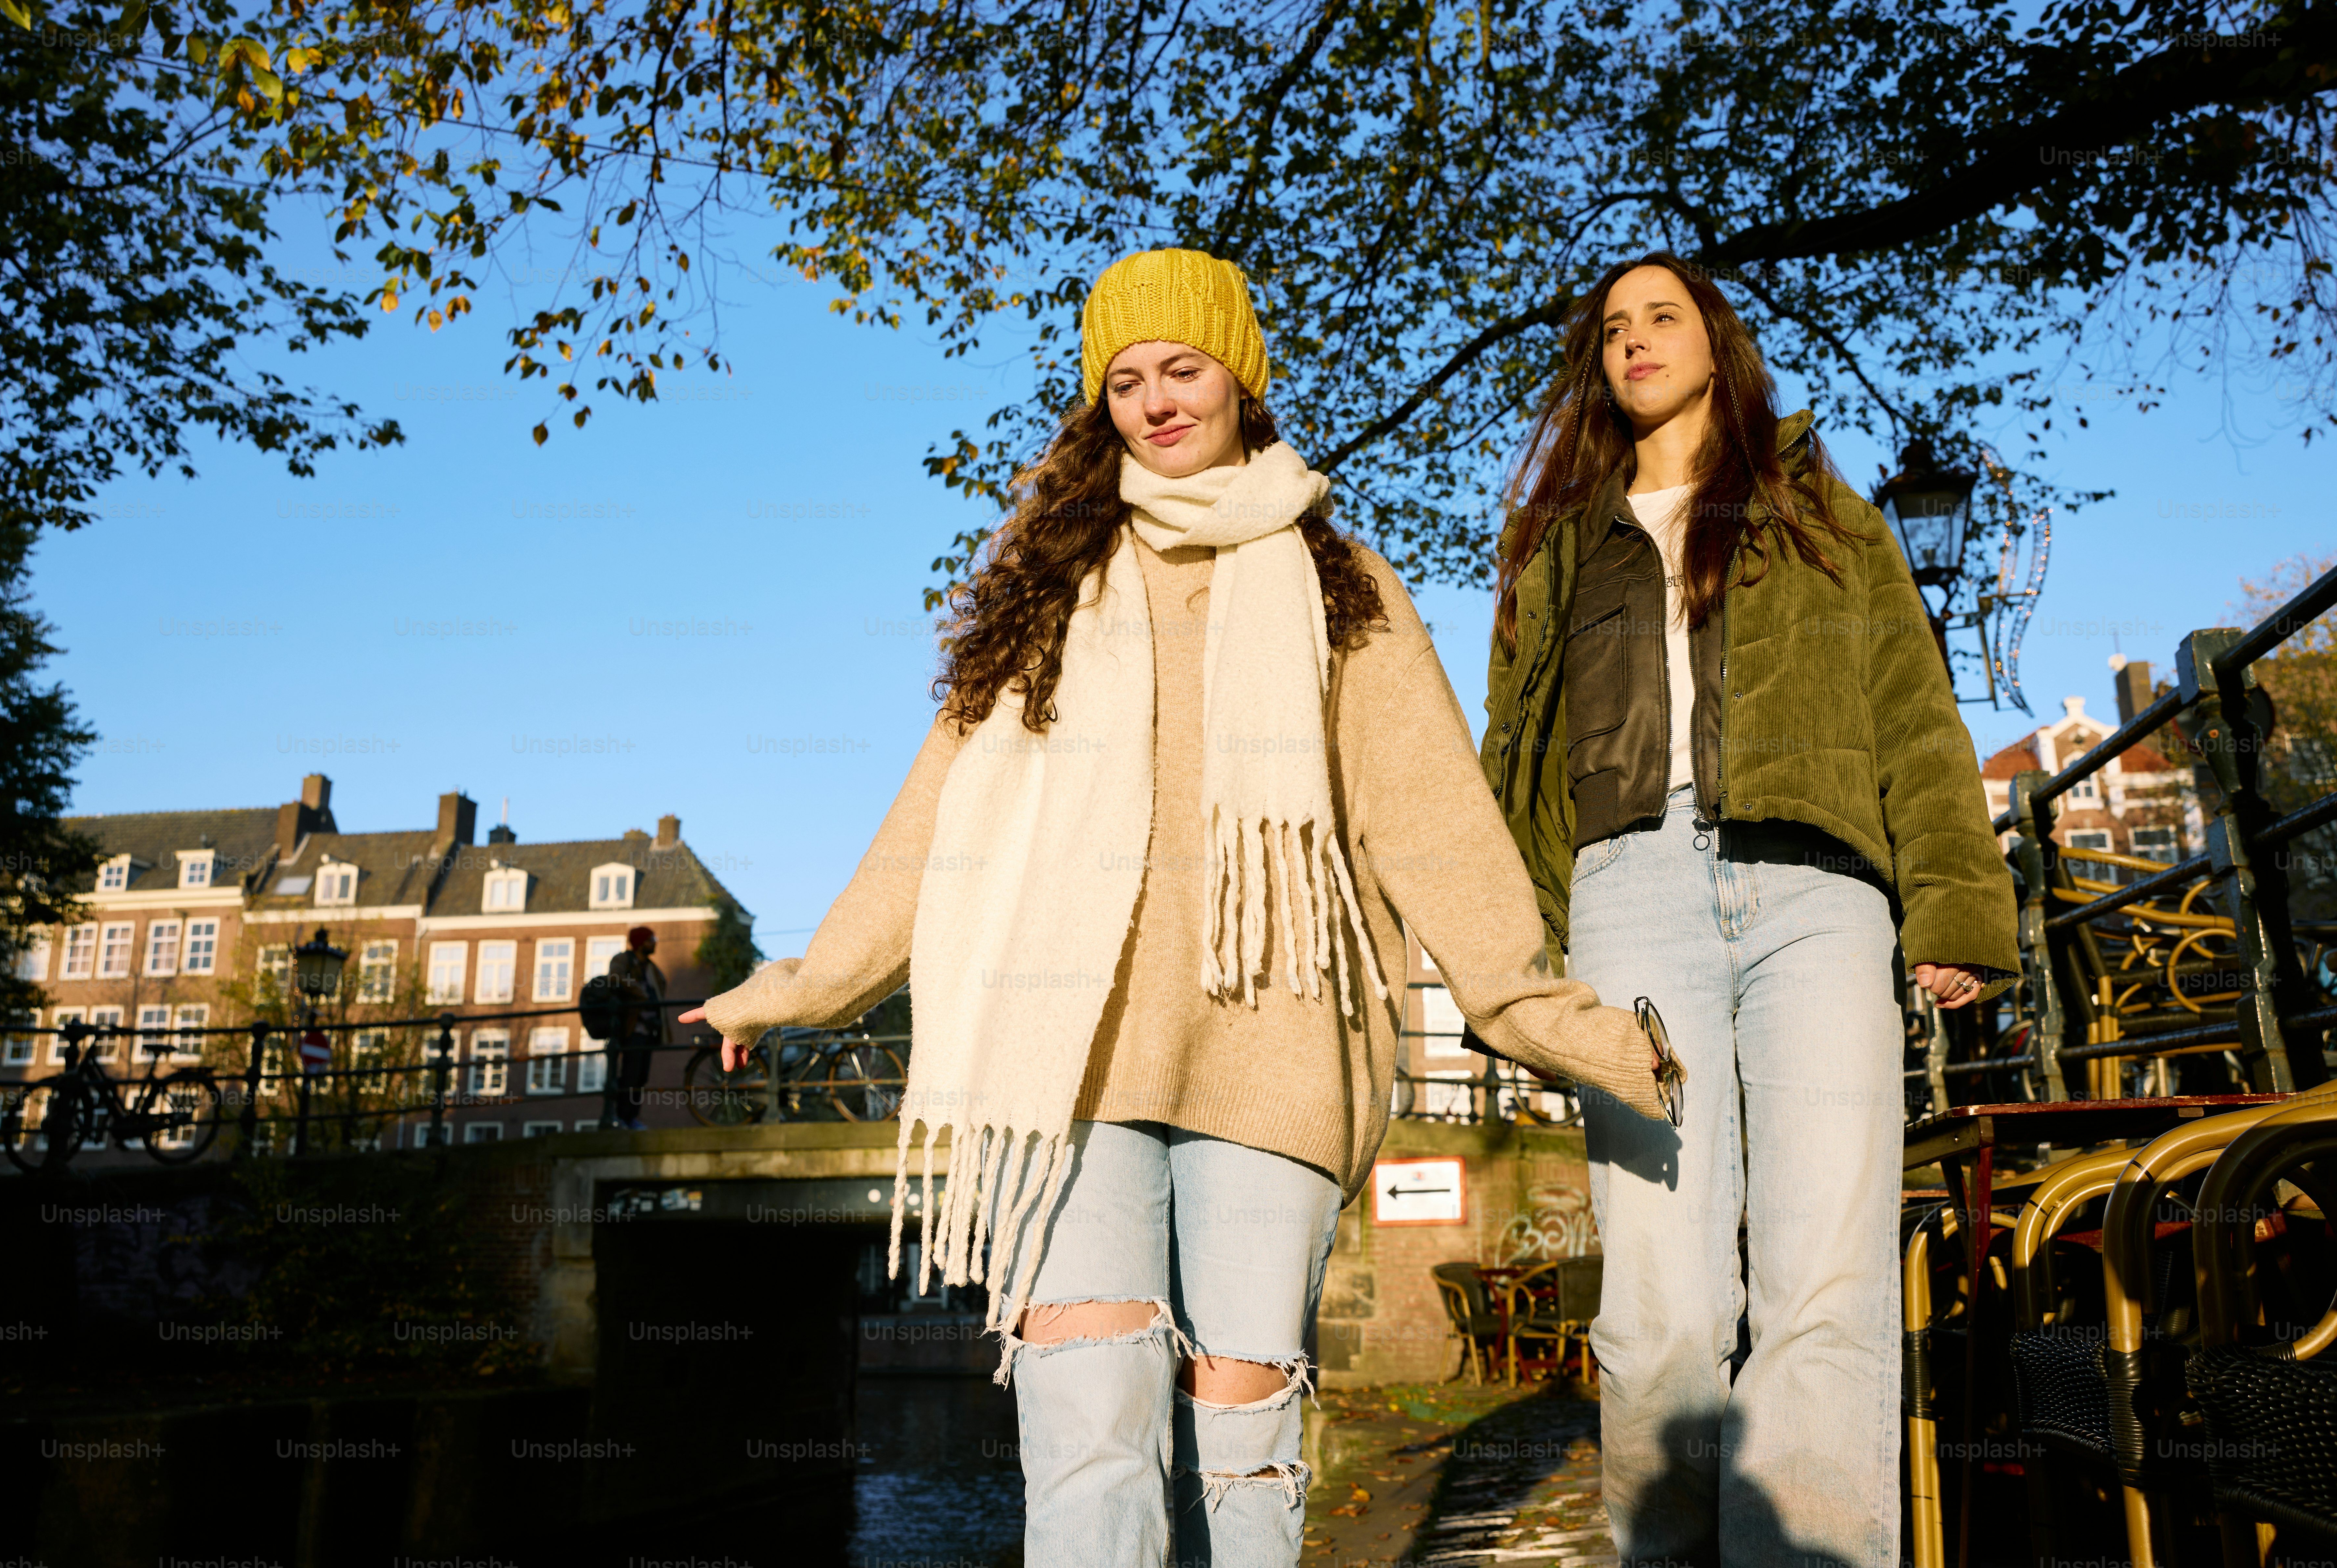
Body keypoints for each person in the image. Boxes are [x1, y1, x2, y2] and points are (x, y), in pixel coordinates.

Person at [685, 247, 1669, 1567]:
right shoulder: (1044, 597)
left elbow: (1435, 822)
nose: (1155, 400)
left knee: (1243, 1425)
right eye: (1126, 379)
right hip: (1072, 1058)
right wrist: (804, 986)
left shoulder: (1344, 588)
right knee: (1087, 1419)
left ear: (1238, 381)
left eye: (1183, 368)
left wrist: (1533, 1009)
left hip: (1273, 1043)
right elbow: (935, 831)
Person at [1482, 250, 2020, 1565]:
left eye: (1662, 316)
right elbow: (1515, 751)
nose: (1634, 341)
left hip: (1818, 895)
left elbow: (1911, 700)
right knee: (1662, 1292)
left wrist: (1954, 902)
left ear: (1715, 343)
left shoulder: (1817, 506)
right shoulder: (1565, 543)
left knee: (1822, 1273)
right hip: (1631, 904)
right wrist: (1512, 964)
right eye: (1612, 327)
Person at [606, 926, 666, 1130]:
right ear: (641, 943)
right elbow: (615, 977)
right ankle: (622, 1118)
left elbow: (661, 987)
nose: (655, 942)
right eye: (652, 939)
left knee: (641, 1077)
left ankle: (631, 1118)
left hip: (649, 1030)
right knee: (630, 1075)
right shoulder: (625, 960)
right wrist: (639, 992)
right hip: (633, 1029)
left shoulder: (651, 968)